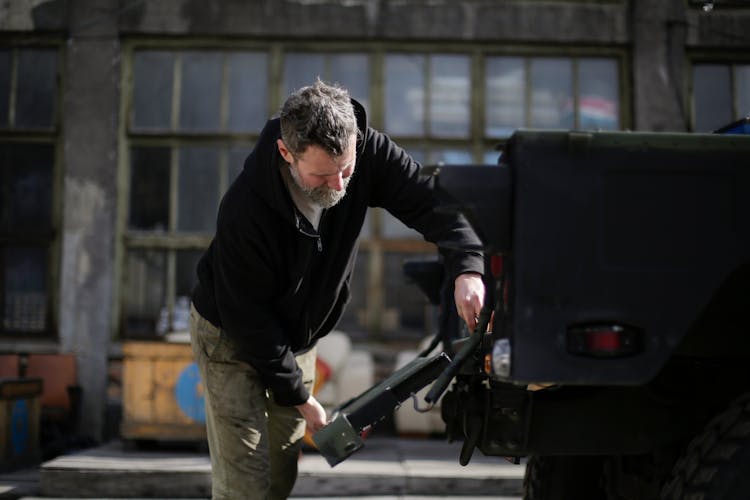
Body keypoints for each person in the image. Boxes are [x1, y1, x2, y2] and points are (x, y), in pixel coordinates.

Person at [189, 79, 485, 499]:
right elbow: (250, 320)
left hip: (296, 337)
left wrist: (467, 269)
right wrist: (301, 397)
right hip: (230, 336)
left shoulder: (368, 151)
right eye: (324, 176)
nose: (340, 185)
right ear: (286, 153)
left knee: (277, 478)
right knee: (245, 487)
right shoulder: (245, 210)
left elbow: (433, 204)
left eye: (346, 169)